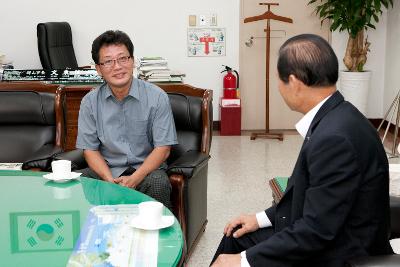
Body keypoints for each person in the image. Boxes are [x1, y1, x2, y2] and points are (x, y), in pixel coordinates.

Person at [211, 34, 393, 267]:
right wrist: (258, 219)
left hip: (342, 253)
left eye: (280, 80)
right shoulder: (336, 115)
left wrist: (244, 261)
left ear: (294, 82)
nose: (278, 87)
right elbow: (310, 194)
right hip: (328, 230)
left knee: (237, 256)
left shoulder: (334, 139)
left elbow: (316, 232)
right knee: (236, 236)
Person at [76, 30, 177, 209]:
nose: (117, 67)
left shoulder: (157, 97)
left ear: (132, 61)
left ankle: (160, 237)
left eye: (123, 58)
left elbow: (163, 149)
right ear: (98, 69)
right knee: (74, 184)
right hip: (107, 171)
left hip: (146, 170)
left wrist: (134, 179)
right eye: (108, 61)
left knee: (158, 184)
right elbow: (89, 150)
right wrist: (108, 181)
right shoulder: (90, 102)